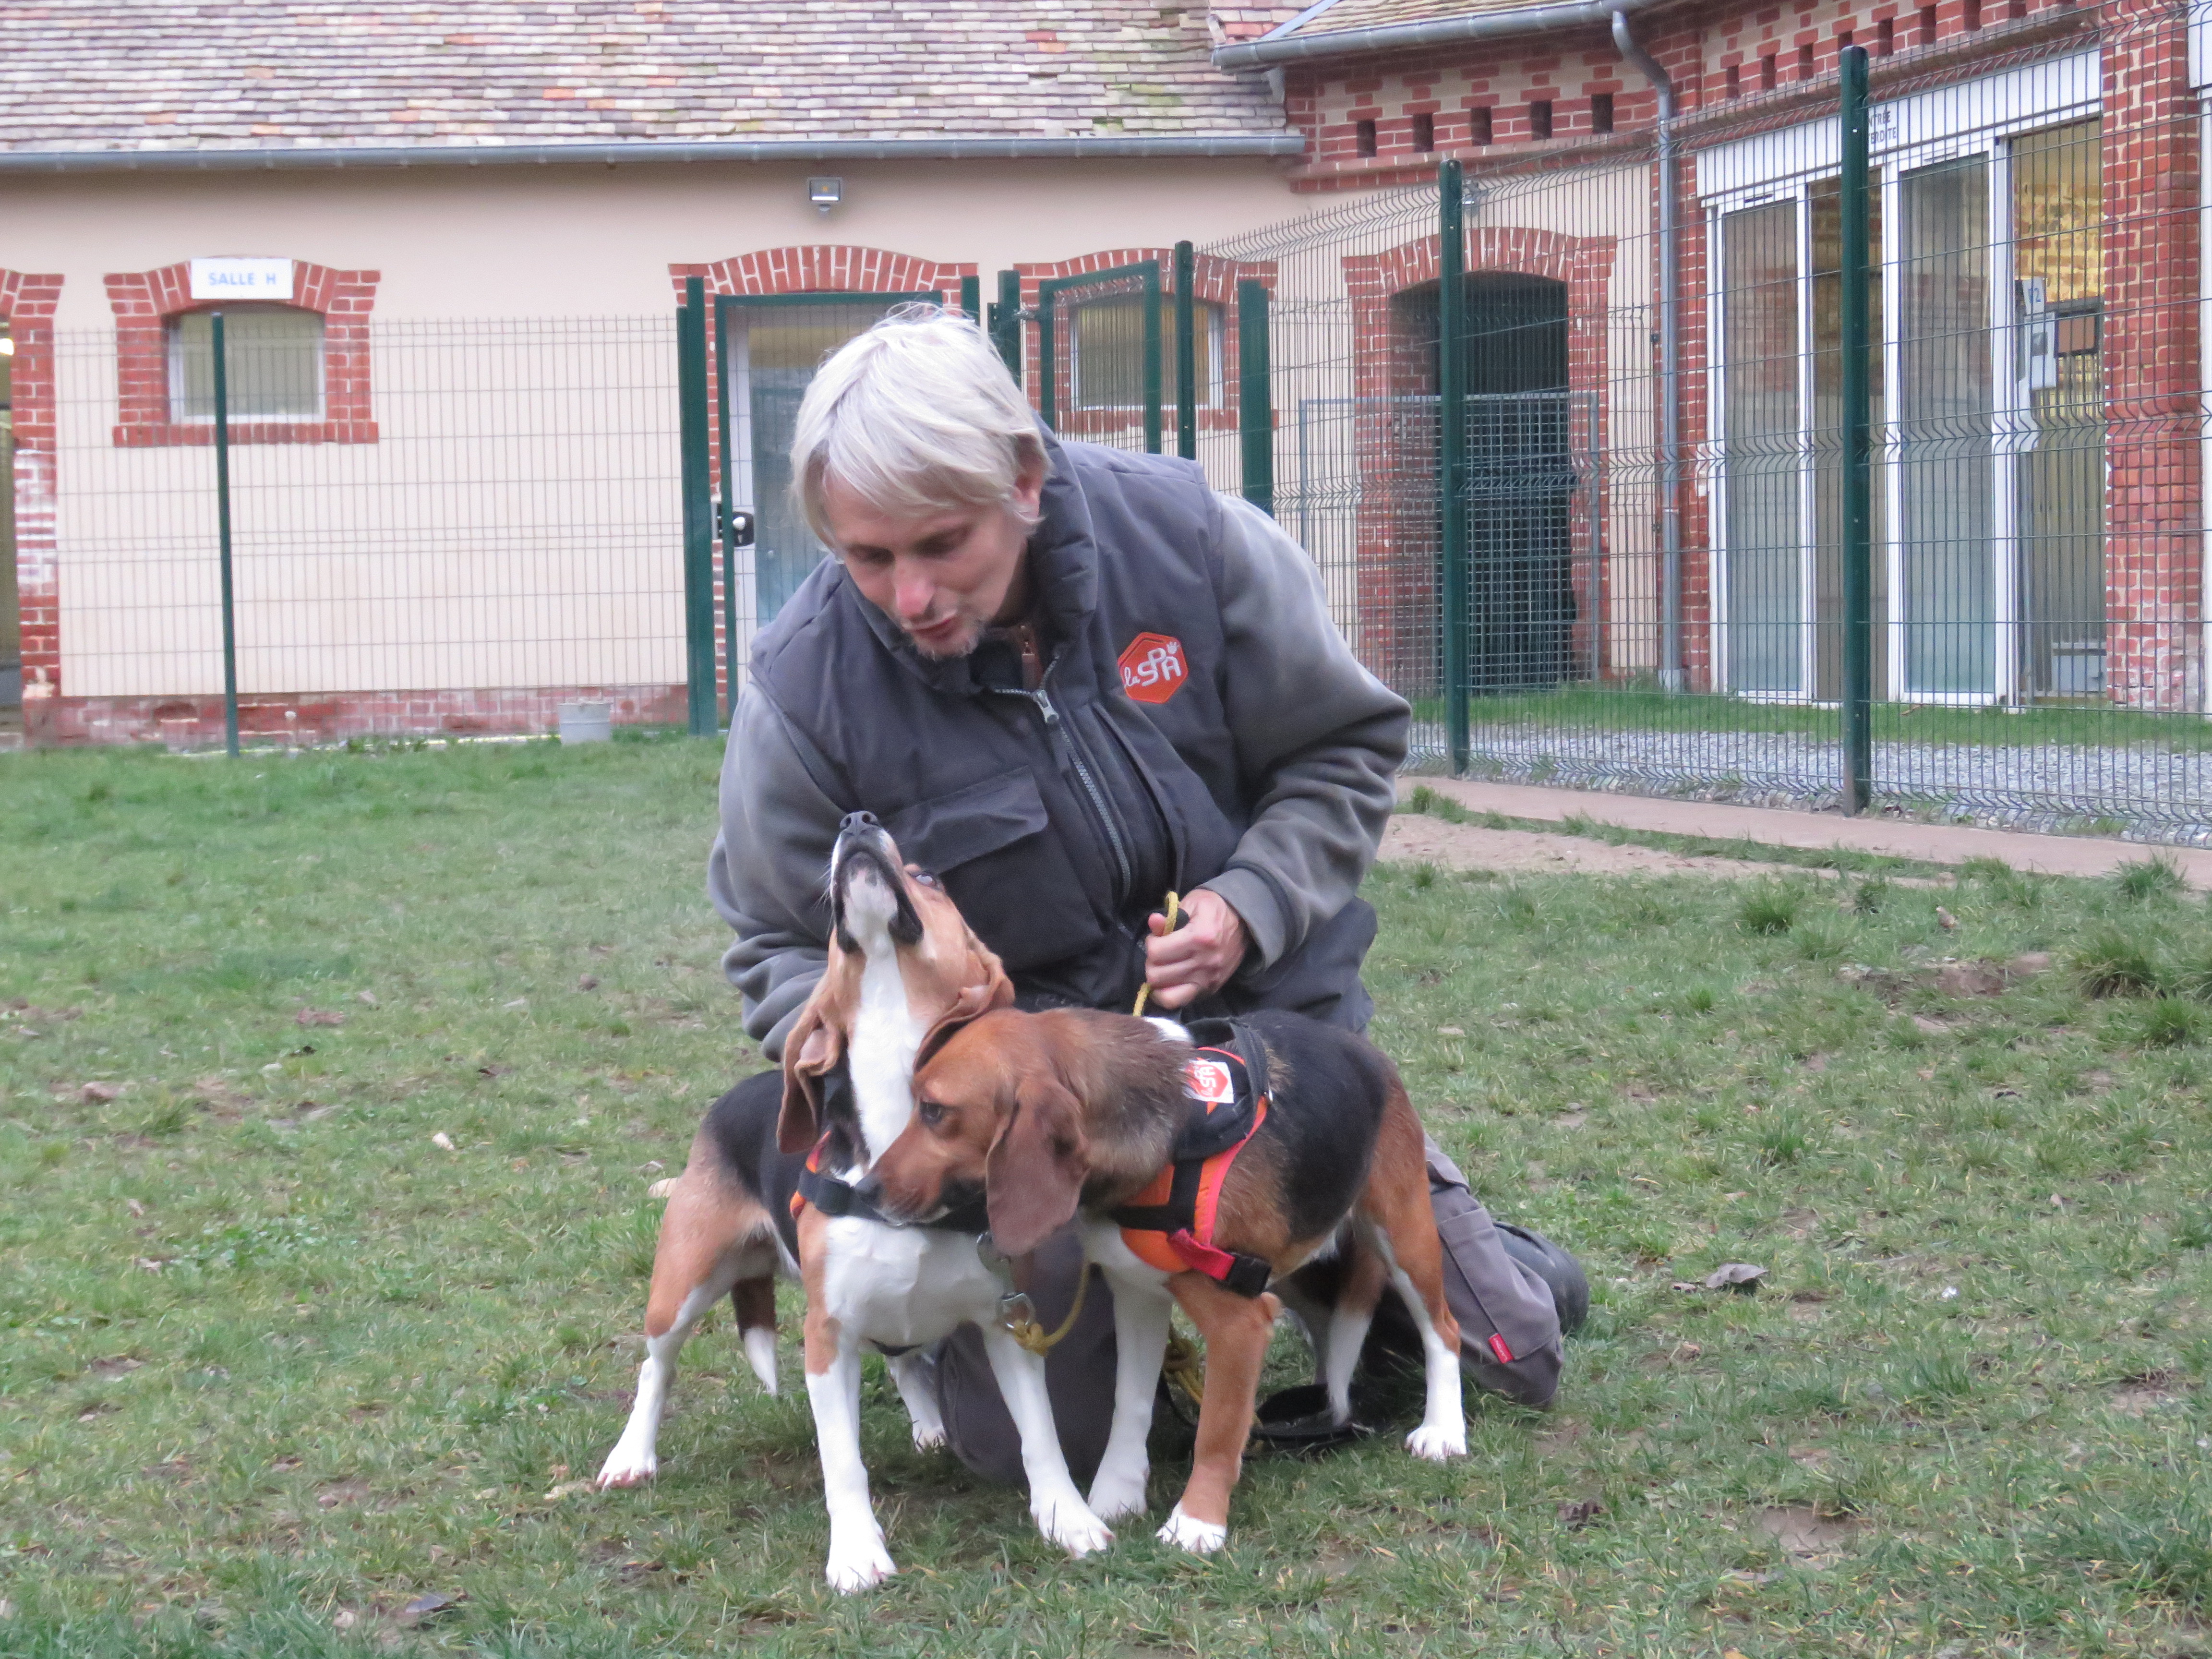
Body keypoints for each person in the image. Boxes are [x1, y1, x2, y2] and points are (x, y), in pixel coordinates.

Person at [709, 307, 1568, 1484]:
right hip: (1032, 1123)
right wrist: (917, 1072)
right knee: (1030, 1453)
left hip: (1259, 1068)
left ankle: (1392, 1236)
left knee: (1514, 1353)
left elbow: (1345, 748)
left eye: (940, 545)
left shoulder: (1189, 538)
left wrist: (1252, 902)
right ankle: (1178, 1291)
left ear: (1021, 479)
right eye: (868, 557)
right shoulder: (804, 685)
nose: (908, 595)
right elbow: (770, 937)